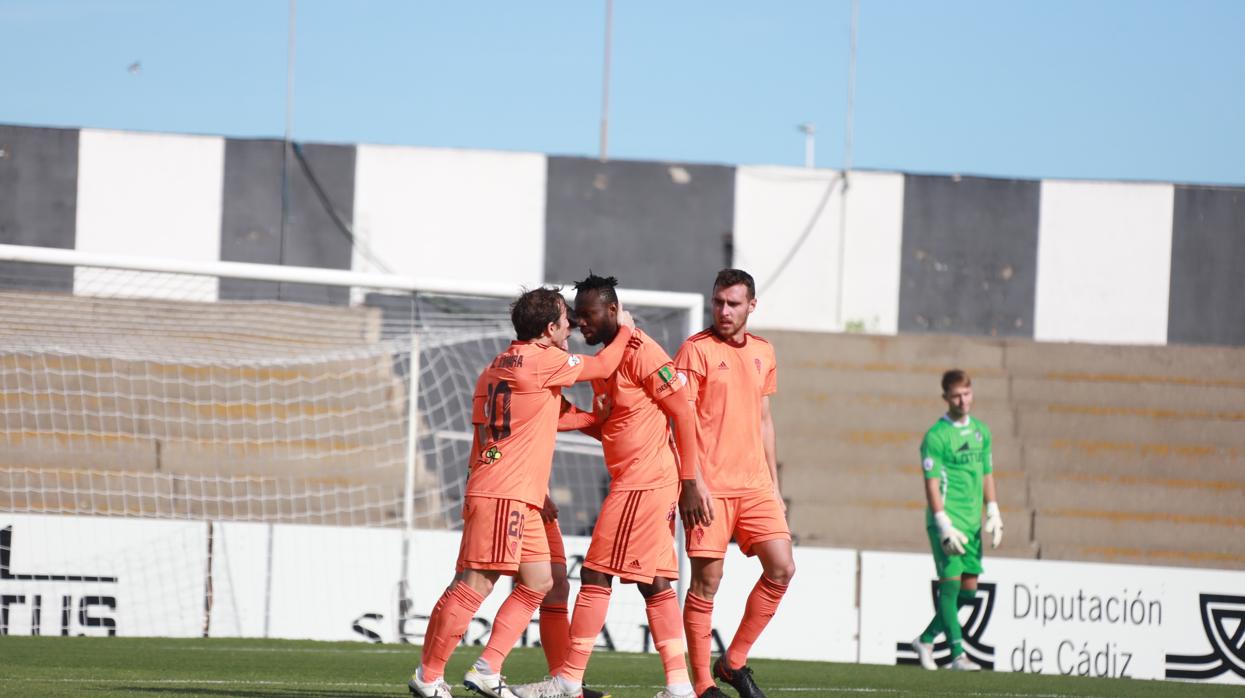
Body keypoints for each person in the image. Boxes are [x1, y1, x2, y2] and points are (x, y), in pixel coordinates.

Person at [408, 287, 634, 698]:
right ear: (549, 329)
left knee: (539, 580)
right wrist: (627, 332)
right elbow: (603, 364)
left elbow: (540, 419)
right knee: (475, 582)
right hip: (504, 492)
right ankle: (428, 676)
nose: (572, 326)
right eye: (566, 319)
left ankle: (487, 668)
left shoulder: (495, 366)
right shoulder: (543, 359)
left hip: (514, 490)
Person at [512, 272, 712, 698]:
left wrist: (691, 481)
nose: (581, 323)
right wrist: (553, 416)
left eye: (589, 315)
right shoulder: (608, 356)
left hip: (643, 482)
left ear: (614, 311)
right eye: (577, 316)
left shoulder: (639, 350)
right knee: (654, 584)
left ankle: (567, 682)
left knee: (594, 573)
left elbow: (684, 412)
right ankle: (679, 687)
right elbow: (609, 424)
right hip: (638, 479)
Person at [674, 269, 795, 698]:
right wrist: (692, 482)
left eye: (733, 304)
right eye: (718, 303)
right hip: (710, 487)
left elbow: (764, 420)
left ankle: (734, 662)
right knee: (707, 583)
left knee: (782, 568)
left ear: (751, 306)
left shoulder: (764, 351)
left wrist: (775, 487)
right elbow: (681, 421)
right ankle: (704, 684)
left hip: (756, 485)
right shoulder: (694, 351)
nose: (723, 311)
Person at [910, 369, 1004, 672]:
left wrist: (993, 510)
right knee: (949, 588)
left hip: (973, 525)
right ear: (946, 398)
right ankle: (957, 655)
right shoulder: (936, 436)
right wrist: (942, 522)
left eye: (967, 393)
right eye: (956, 395)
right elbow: (932, 483)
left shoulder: (981, 431)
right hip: (948, 523)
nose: (963, 400)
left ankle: (925, 639)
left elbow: (987, 473)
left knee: (968, 592)